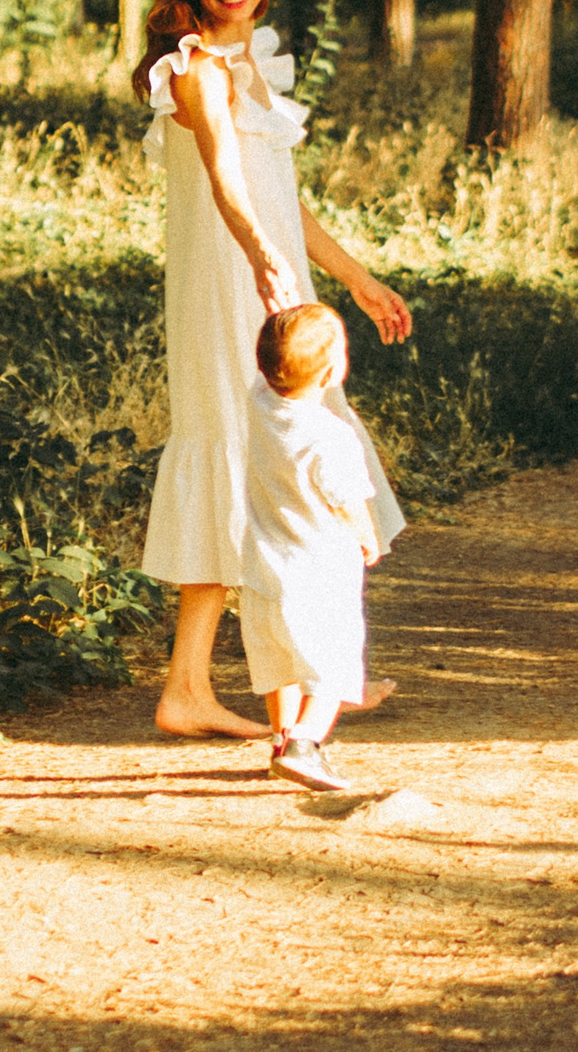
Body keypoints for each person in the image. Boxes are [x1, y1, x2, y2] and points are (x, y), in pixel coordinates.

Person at [133, 0, 410, 739]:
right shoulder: (194, 69)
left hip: (272, 270)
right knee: (242, 455)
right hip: (230, 282)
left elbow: (283, 198)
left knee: (291, 458)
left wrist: (358, 279)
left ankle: (297, 666)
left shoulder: (252, 61)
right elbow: (224, 176)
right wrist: (258, 255)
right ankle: (198, 687)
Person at [241, 304, 383, 791]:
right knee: (333, 669)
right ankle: (305, 745)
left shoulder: (258, 406)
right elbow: (347, 500)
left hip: (263, 571)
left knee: (279, 664)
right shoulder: (330, 436)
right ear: (331, 370)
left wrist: (277, 319)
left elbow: (271, 366)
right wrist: (367, 535)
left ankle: (281, 741)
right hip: (318, 576)